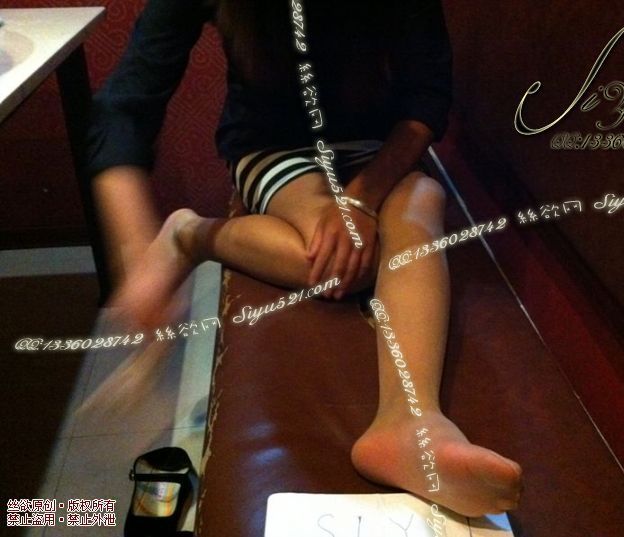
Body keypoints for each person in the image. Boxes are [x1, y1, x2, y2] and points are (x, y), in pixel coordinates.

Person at [84, 0, 523, 517]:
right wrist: (137, 255)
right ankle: (191, 236)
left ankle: (412, 421)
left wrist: (361, 199)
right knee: (347, 257)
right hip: (271, 145)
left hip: (378, 143)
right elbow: (125, 104)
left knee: (422, 199)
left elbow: (427, 95)